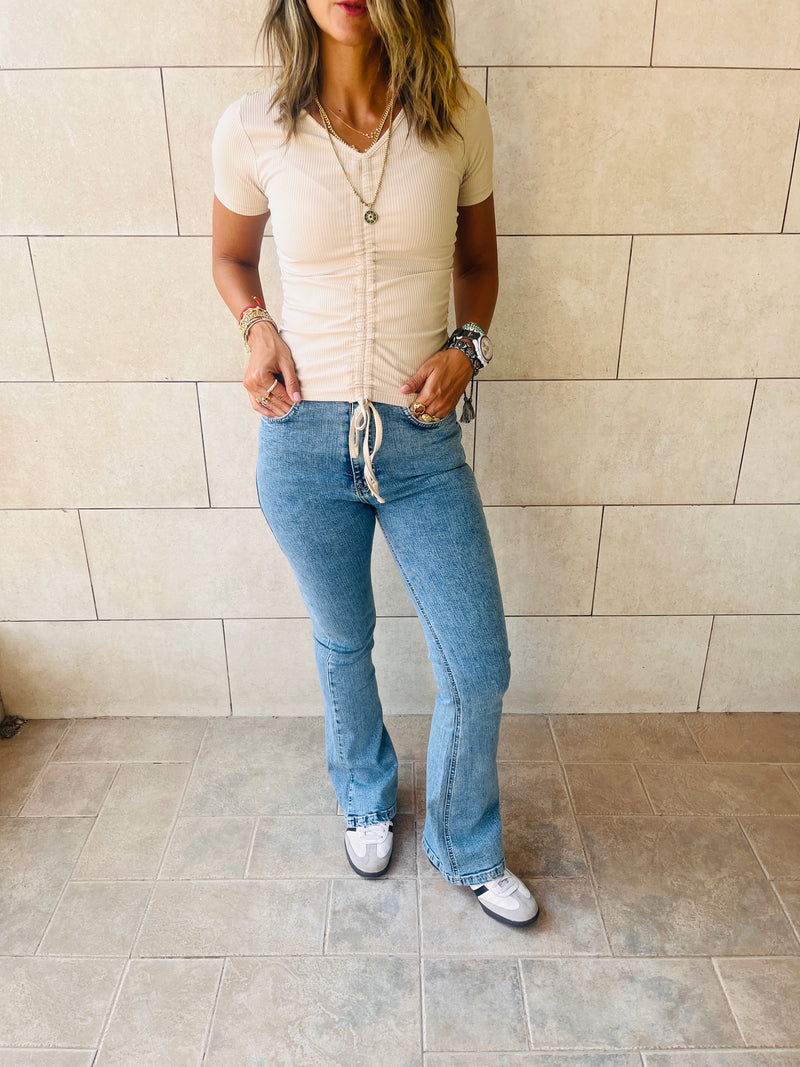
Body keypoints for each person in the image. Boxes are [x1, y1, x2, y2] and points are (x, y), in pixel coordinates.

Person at [211, 0, 538, 928]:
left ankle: (463, 842)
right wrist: (257, 328)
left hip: (422, 441)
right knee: (343, 636)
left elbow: (479, 263)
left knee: (478, 664)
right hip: (301, 437)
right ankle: (364, 793)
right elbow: (231, 257)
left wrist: (468, 345)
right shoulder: (254, 126)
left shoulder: (457, 117)